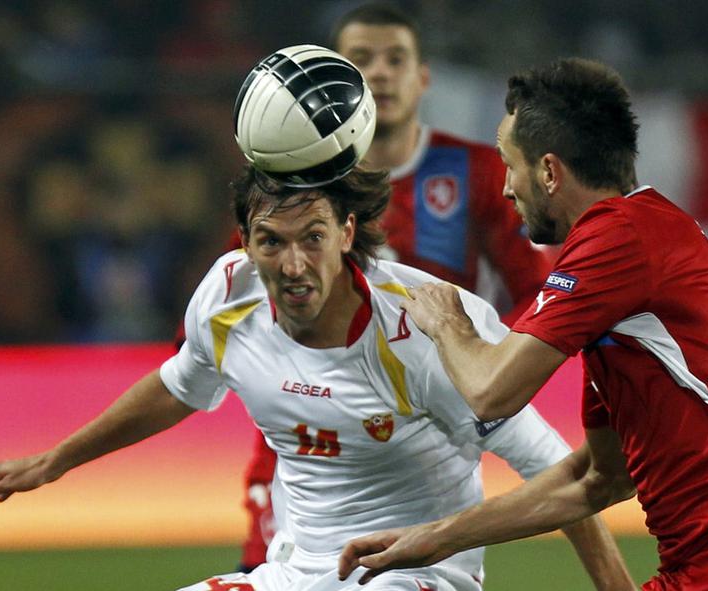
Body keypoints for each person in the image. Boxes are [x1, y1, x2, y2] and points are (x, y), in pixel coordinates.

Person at [0, 166, 634, 591]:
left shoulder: (421, 330)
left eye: (312, 237)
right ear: (245, 242)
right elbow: (177, 386)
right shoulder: (229, 296)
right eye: (271, 241)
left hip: (417, 575)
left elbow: (561, 473)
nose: (292, 263)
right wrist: (54, 460)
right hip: (295, 572)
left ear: (347, 232)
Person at [338, 58, 708, 590]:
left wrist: (448, 323)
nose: (505, 189)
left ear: (549, 172)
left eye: (509, 164)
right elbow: (599, 479)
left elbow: (491, 391)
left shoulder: (620, 237)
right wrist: (435, 538)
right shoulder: (624, 268)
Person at [235, 2, 555, 571]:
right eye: (361, 60)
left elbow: (539, 293)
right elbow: (242, 293)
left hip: (425, 420)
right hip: (306, 420)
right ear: (334, 77)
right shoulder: (287, 184)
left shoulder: (477, 172)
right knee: (275, 569)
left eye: (396, 59)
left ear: (423, 76)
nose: (379, 73)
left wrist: (483, 365)